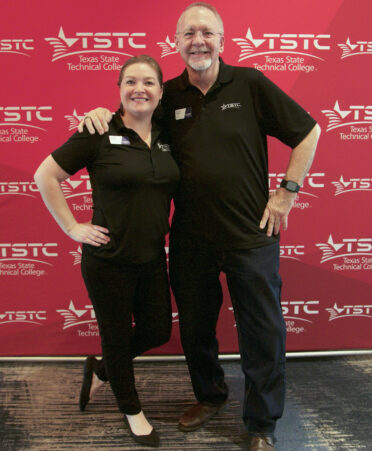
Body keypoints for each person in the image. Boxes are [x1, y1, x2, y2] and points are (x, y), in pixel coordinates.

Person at [78, 3, 321, 450]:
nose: (198, 41)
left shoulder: (249, 83)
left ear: (222, 41)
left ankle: (262, 425)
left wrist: (286, 191)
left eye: (207, 32)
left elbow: (308, 131)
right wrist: (97, 115)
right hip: (191, 240)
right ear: (177, 43)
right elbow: (130, 121)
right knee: (195, 330)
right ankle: (210, 396)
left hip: (251, 236)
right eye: (189, 33)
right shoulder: (166, 94)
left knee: (263, 333)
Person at [34, 55, 180, 448]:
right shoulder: (97, 131)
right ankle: (131, 409)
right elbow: (45, 174)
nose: (139, 89)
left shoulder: (168, 133)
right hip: (108, 261)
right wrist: (71, 226)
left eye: (149, 82)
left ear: (161, 91)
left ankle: (103, 369)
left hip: (151, 256)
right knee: (116, 336)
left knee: (157, 330)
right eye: (130, 81)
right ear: (119, 90)